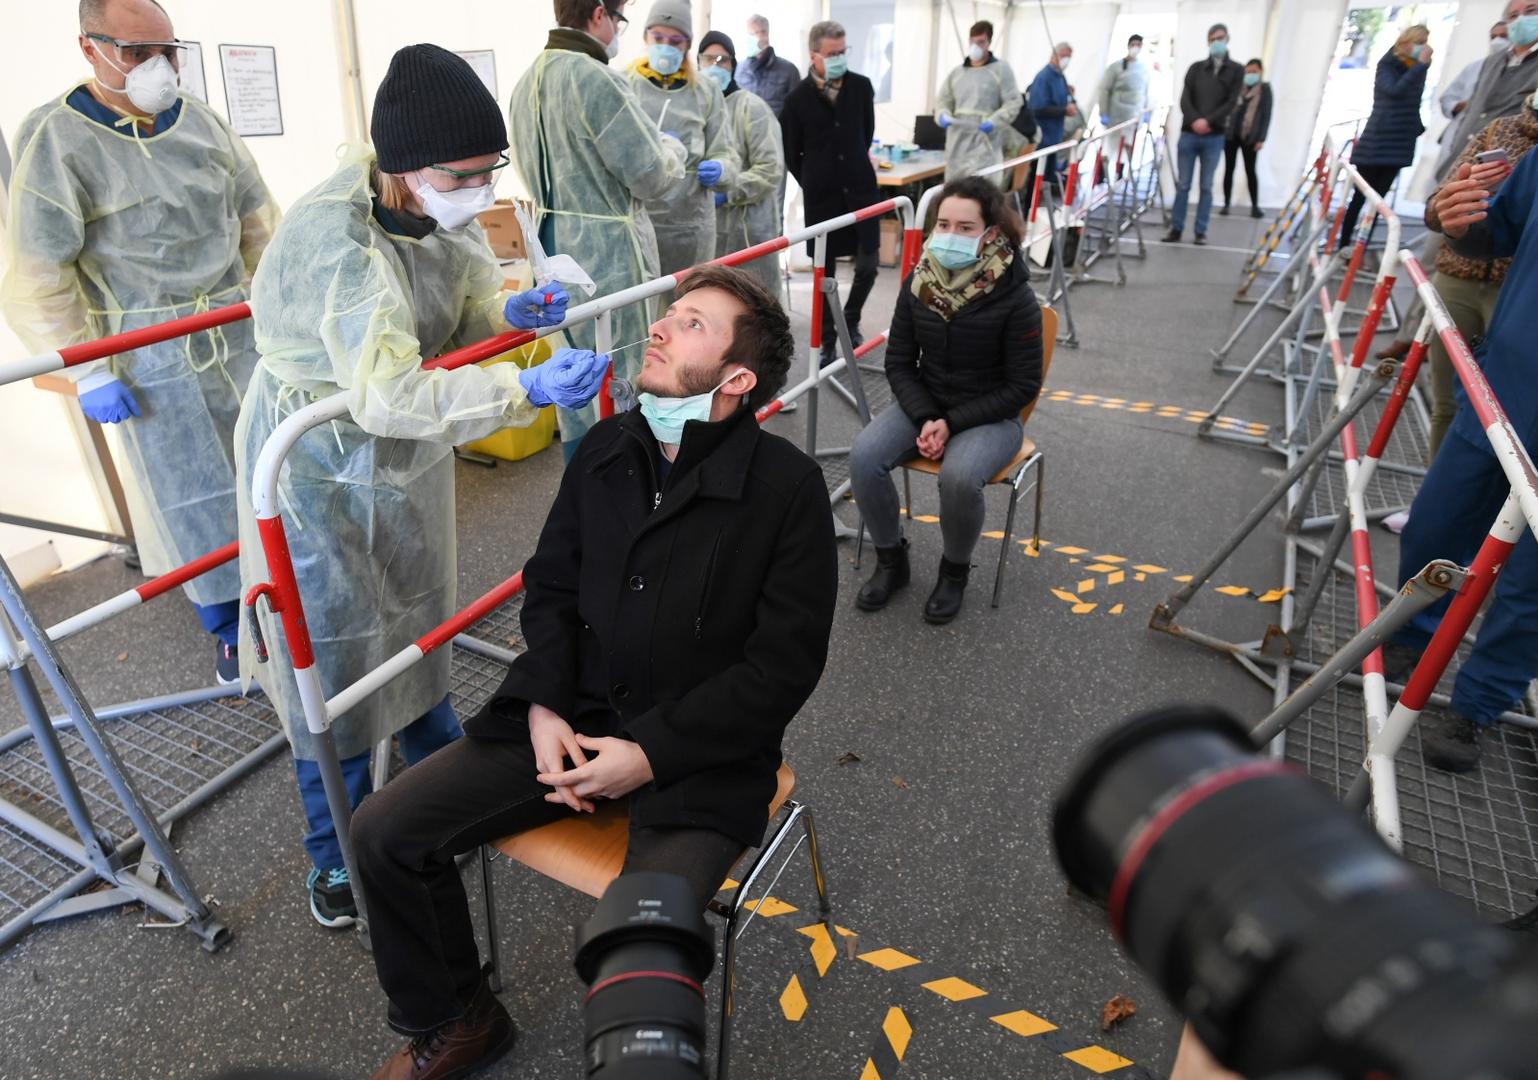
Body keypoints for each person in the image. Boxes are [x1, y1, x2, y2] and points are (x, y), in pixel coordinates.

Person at [350, 265, 837, 1080]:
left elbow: (781, 668)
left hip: (699, 758)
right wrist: (542, 705)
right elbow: (552, 588)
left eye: (691, 324)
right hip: (567, 721)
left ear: (737, 379)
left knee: (639, 961)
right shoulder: (609, 447)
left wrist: (647, 755)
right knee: (384, 832)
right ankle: (459, 1018)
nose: (659, 326)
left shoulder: (787, 491)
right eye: (669, 314)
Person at [234, 45, 609, 929]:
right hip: (318, 463)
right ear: (404, 167)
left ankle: (440, 767)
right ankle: (334, 853)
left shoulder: (436, 204)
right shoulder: (336, 240)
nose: (479, 191)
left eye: (492, 172)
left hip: (402, 459)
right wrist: (523, 385)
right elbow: (391, 391)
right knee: (329, 654)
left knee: (414, 611)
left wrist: (505, 311)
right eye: (465, 176)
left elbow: (468, 284)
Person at [2, 0, 280, 684]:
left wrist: (275, 310)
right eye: (136, 52)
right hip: (148, 351)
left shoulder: (205, 124)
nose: (158, 67)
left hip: (234, 330)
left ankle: (287, 596)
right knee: (190, 498)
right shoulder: (57, 138)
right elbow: (39, 269)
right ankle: (227, 630)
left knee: (266, 471)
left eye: (168, 50)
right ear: (88, 47)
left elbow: (257, 221)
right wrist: (89, 370)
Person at [1379, 145, 1538, 772]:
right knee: (1437, 525)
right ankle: (1415, 633)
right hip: (1505, 391)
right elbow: (1491, 232)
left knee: (1530, 587)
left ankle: (1478, 705)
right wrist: (1459, 219)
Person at [849, 177, 1044, 625]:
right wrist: (927, 416)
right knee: (864, 457)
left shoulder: (1016, 296)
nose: (950, 235)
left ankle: (954, 571)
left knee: (957, 478)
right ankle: (890, 559)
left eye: (965, 227)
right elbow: (898, 362)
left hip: (992, 414)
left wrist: (950, 423)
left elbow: (1021, 385)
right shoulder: (919, 283)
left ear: (991, 234)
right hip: (927, 404)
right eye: (944, 224)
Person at [508, 0, 688, 461]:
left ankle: (581, 494)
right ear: (599, 14)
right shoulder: (597, 78)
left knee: (572, 379)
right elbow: (650, 175)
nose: (617, 28)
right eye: (620, 17)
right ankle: (626, 493)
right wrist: (672, 150)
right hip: (607, 255)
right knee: (622, 370)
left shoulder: (526, 81)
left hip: (551, 250)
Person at [1377, 0, 1538, 363]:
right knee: (1439, 257)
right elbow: (1461, 109)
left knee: (1480, 290)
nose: (1519, 22)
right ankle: (1416, 338)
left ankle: (1436, 347)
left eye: (1530, 12)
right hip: (1467, 170)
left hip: (1508, 187)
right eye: (1511, 17)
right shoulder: (1492, 63)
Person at [1418, 105, 1534, 457]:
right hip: (1460, 276)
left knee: (1504, 423)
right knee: (1447, 404)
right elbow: (1437, 206)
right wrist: (1454, 209)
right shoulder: (1500, 128)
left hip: (1514, 297)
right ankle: (1433, 498)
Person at [781, 20, 883, 366]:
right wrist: (815, 178)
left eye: (843, 52)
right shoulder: (796, 99)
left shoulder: (861, 87)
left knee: (868, 264)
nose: (839, 58)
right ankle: (826, 340)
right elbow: (791, 152)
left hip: (861, 188)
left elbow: (866, 132)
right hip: (823, 197)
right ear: (814, 55)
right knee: (825, 274)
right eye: (832, 54)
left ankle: (849, 321)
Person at [626, 0, 737, 276]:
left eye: (675, 41)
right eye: (658, 38)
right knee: (640, 306)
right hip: (638, 219)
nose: (666, 46)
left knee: (688, 302)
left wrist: (721, 168)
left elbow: (727, 153)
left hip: (691, 225)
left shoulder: (706, 91)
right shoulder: (624, 86)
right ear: (645, 37)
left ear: (687, 45)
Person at [699, 30, 786, 299]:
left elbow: (770, 169)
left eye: (723, 60)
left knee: (755, 307)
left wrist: (729, 190)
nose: (716, 65)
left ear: (733, 65)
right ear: (698, 62)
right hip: (705, 230)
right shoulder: (694, 111)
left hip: (748, 231)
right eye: (709, 58)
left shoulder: (752, 108)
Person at [1337, 25, 1432, 247]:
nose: (1423, 47)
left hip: (1399, 143)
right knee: (1360, 198)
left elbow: (1412, 104)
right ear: (1406, 42)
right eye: (1419, 42)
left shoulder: (1417, 68)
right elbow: (1393, 92)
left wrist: (1417, 127)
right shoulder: (1388, 63)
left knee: (1379, 204)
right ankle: (1343, 244)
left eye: (1424, 42)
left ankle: (1361, 247)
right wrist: (1419, 67)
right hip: (1377, 142)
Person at [1163, 23, 1243, 245]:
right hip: (1189, 134)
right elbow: (1184, 99)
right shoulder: (1196, 68)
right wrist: (1196, 120)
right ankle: (1176, 228)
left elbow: (1231, 102)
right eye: (1212, 38)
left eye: (1220, 37)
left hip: (1214, 136)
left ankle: (1200, 231)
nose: (1216, 42)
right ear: (1208, 41)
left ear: (1227, 39)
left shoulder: (1236, 70)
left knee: (1206, 186)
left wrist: (1209, 121)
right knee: (1184, 184)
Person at [936, 20, 1022, 184]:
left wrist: (994, 121)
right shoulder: (957, 73)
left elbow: (1013, 102)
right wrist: (943, 114)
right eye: (973, 42)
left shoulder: (1000, 70)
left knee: (982, 194)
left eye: (981, 42)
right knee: (955, 193)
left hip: (985, 146)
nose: (976, 46)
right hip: (957, 148)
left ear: (989, 42)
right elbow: (943, 100)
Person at [1221, 59, 1272, 219]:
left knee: (1250, 170)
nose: (1250, 75)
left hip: (1251, 137)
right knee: (1229, 169)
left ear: (1260, 71)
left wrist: (1261, 138)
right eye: (1248, 71)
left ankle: (1255, 205)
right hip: (1231, 135)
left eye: (1254, 72)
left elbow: (1266, 115)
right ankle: (1226, 203)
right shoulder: (1237, 88)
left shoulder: (1264, 90)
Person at [1439, 20, 1510, 123]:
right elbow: (1447, 99)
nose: (1497, 41)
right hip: (1464, 125)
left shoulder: (1521, 69)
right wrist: (1461, 105)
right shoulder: (1474, 67)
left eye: (1503, 36)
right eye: (1493, 37)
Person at [737, 13, 801, 117]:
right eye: (748, 35)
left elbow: (797, 110)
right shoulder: (739, 70)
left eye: (753, 34)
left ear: (765, 34)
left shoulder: (789, 71)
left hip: (777, 131)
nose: (749, 39)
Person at [1028, 42, 1076, 178]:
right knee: (1037, 178)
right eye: (1063, 56)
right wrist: (1064, 110)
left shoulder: (1060, 76)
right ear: (1053, 56)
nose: (1066, 59)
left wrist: (1070, 105)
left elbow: (1066, 97)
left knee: (1047, 179)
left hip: (1054, 138)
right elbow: (1037, 108)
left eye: (1069, 57)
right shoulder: (1043, 77)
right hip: (1042, 139)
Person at [1095, 34, 1152, 130]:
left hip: (1135, 116)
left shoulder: (1144, 69)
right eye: (1133, 44)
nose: (1135, 47)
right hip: (1115, 116)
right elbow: (1104, 90)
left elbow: (1146, 92)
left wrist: (1146, 112)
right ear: (1128, 45)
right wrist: (1103, 112)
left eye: (1138, 45)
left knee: (1129, 142)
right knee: (1113, 143)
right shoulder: (1115, 67)